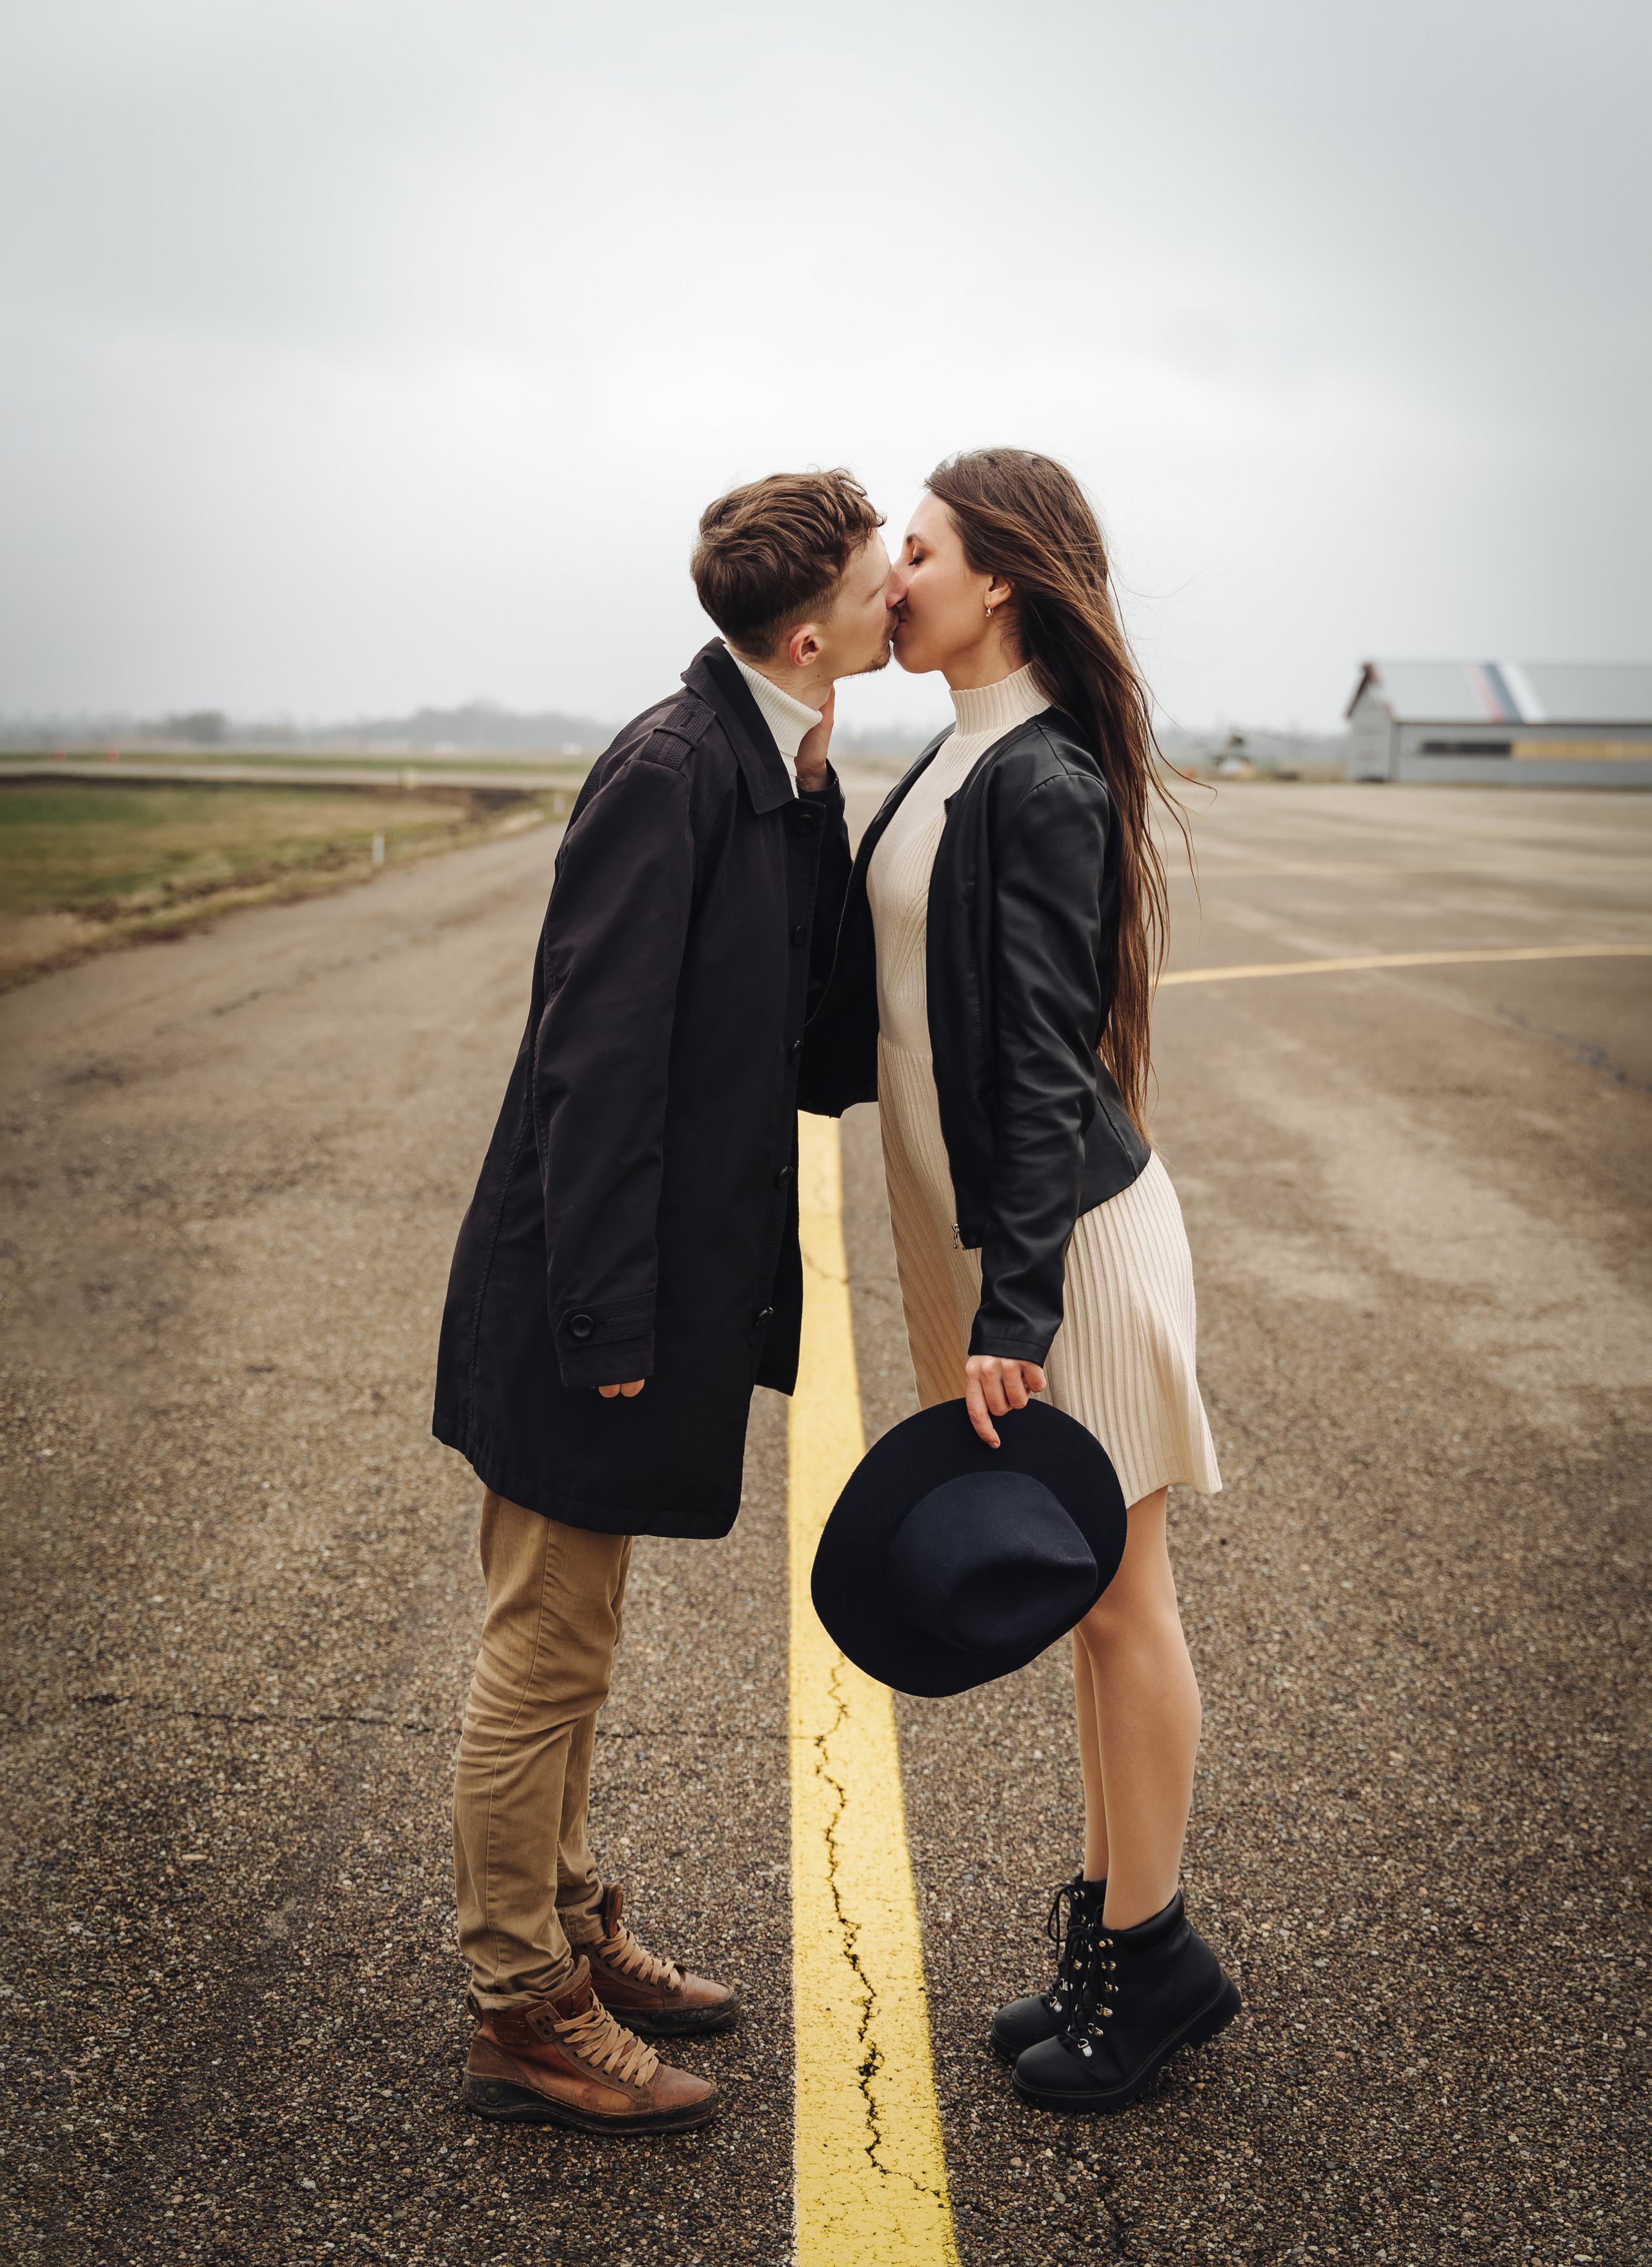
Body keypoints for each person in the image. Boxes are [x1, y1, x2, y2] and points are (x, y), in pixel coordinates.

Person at [432, 469, 896, 2133]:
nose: (897, 584)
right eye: (872, 570)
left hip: (623, 1289)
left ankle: (561, 1921)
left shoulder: (770, 761)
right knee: (543, 1647)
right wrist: (604, 1324)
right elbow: (596, 1063)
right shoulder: (671, 769)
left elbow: (802, 1009)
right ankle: (521, 2006)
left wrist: (828, 789)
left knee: (578, 1636)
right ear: (805, 627)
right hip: (583, 1288)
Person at [800, 447, 1238, 2114]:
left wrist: (1016, 1320)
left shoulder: (1040, 778)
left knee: (1121, 1605)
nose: (891, 571)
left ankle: (1155, 1958)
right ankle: (1123, 1935)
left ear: (1000, 582)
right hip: (982, 1245)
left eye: (917, 546)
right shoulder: (953, 756)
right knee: (1082, 1604)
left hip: (1062, 1257)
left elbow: (1048, 1065)